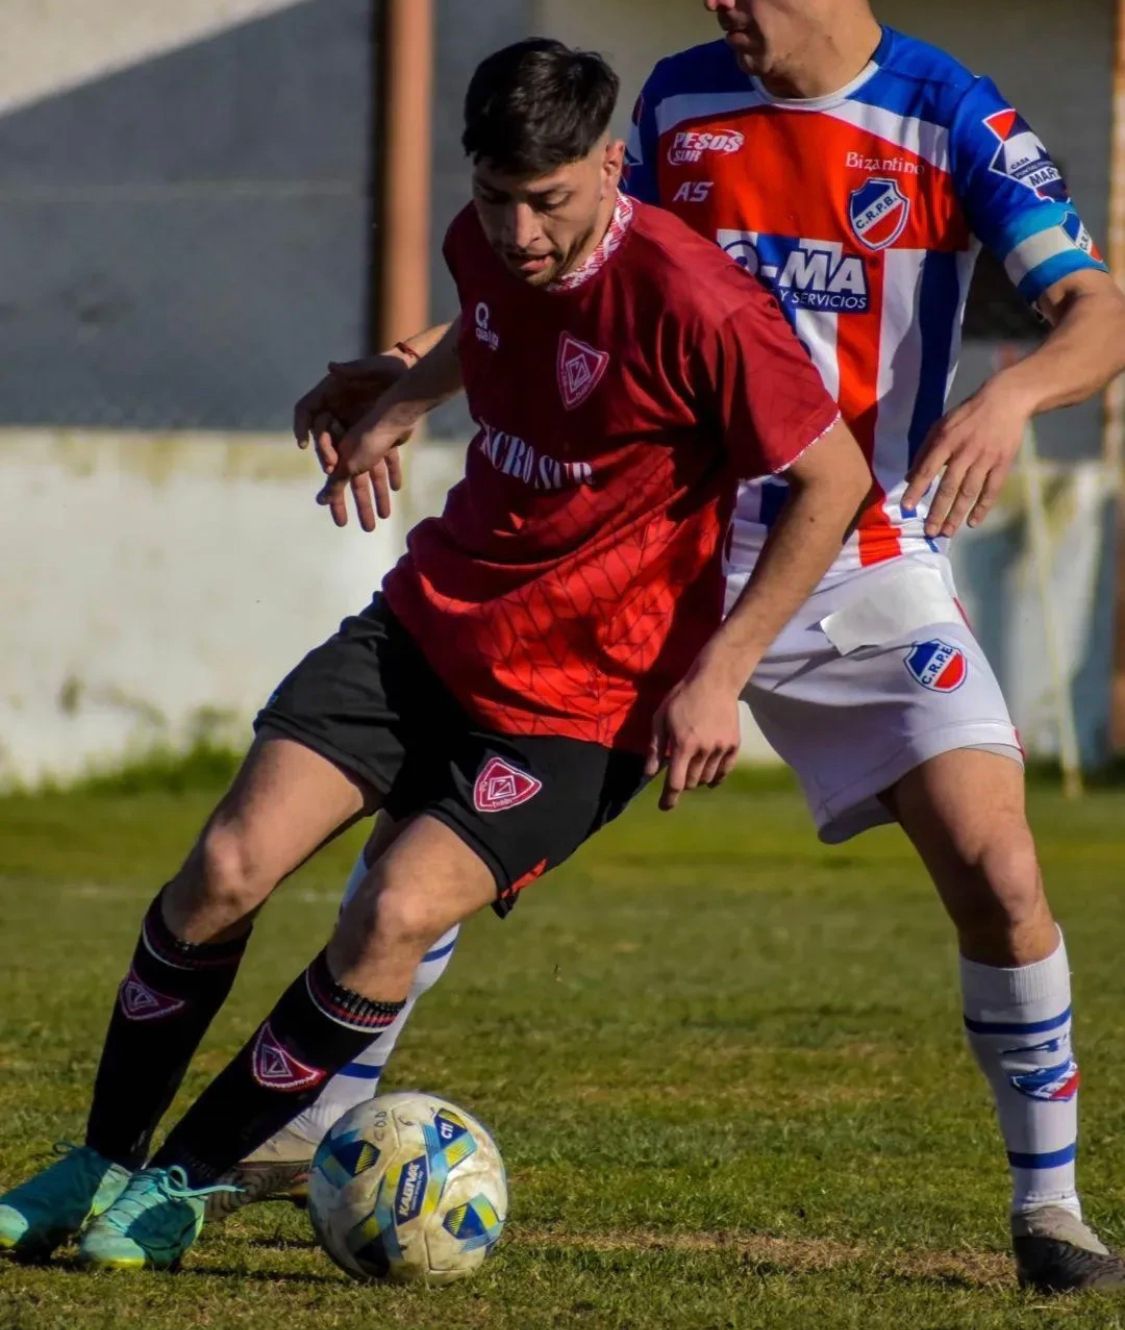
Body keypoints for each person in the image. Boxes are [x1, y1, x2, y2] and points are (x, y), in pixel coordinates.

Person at [264, 0, 1125, 1293]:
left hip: (861, 565)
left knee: (1001, 872)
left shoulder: (951, 116)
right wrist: (403, 378)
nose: (721, 2)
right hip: (653, 558)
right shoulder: (674, 104)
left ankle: (1050, 1208)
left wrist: (1008, 394)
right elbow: (559, 279)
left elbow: (1097, 315)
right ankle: (312, 1125)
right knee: (434, 833)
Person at [0, 39, 869, 1271]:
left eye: (549, 201)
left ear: (613, 166)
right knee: (225, 865)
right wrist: (405, 393)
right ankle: (94, 1156)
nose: (515, 230)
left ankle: (180, 1184)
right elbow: (491, 316)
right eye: (494, 196)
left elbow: (834, 479)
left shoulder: (703, 305)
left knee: (395, 913)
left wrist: (720, 674)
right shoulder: (484, 245)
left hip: (580, 704)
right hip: (427, 626)